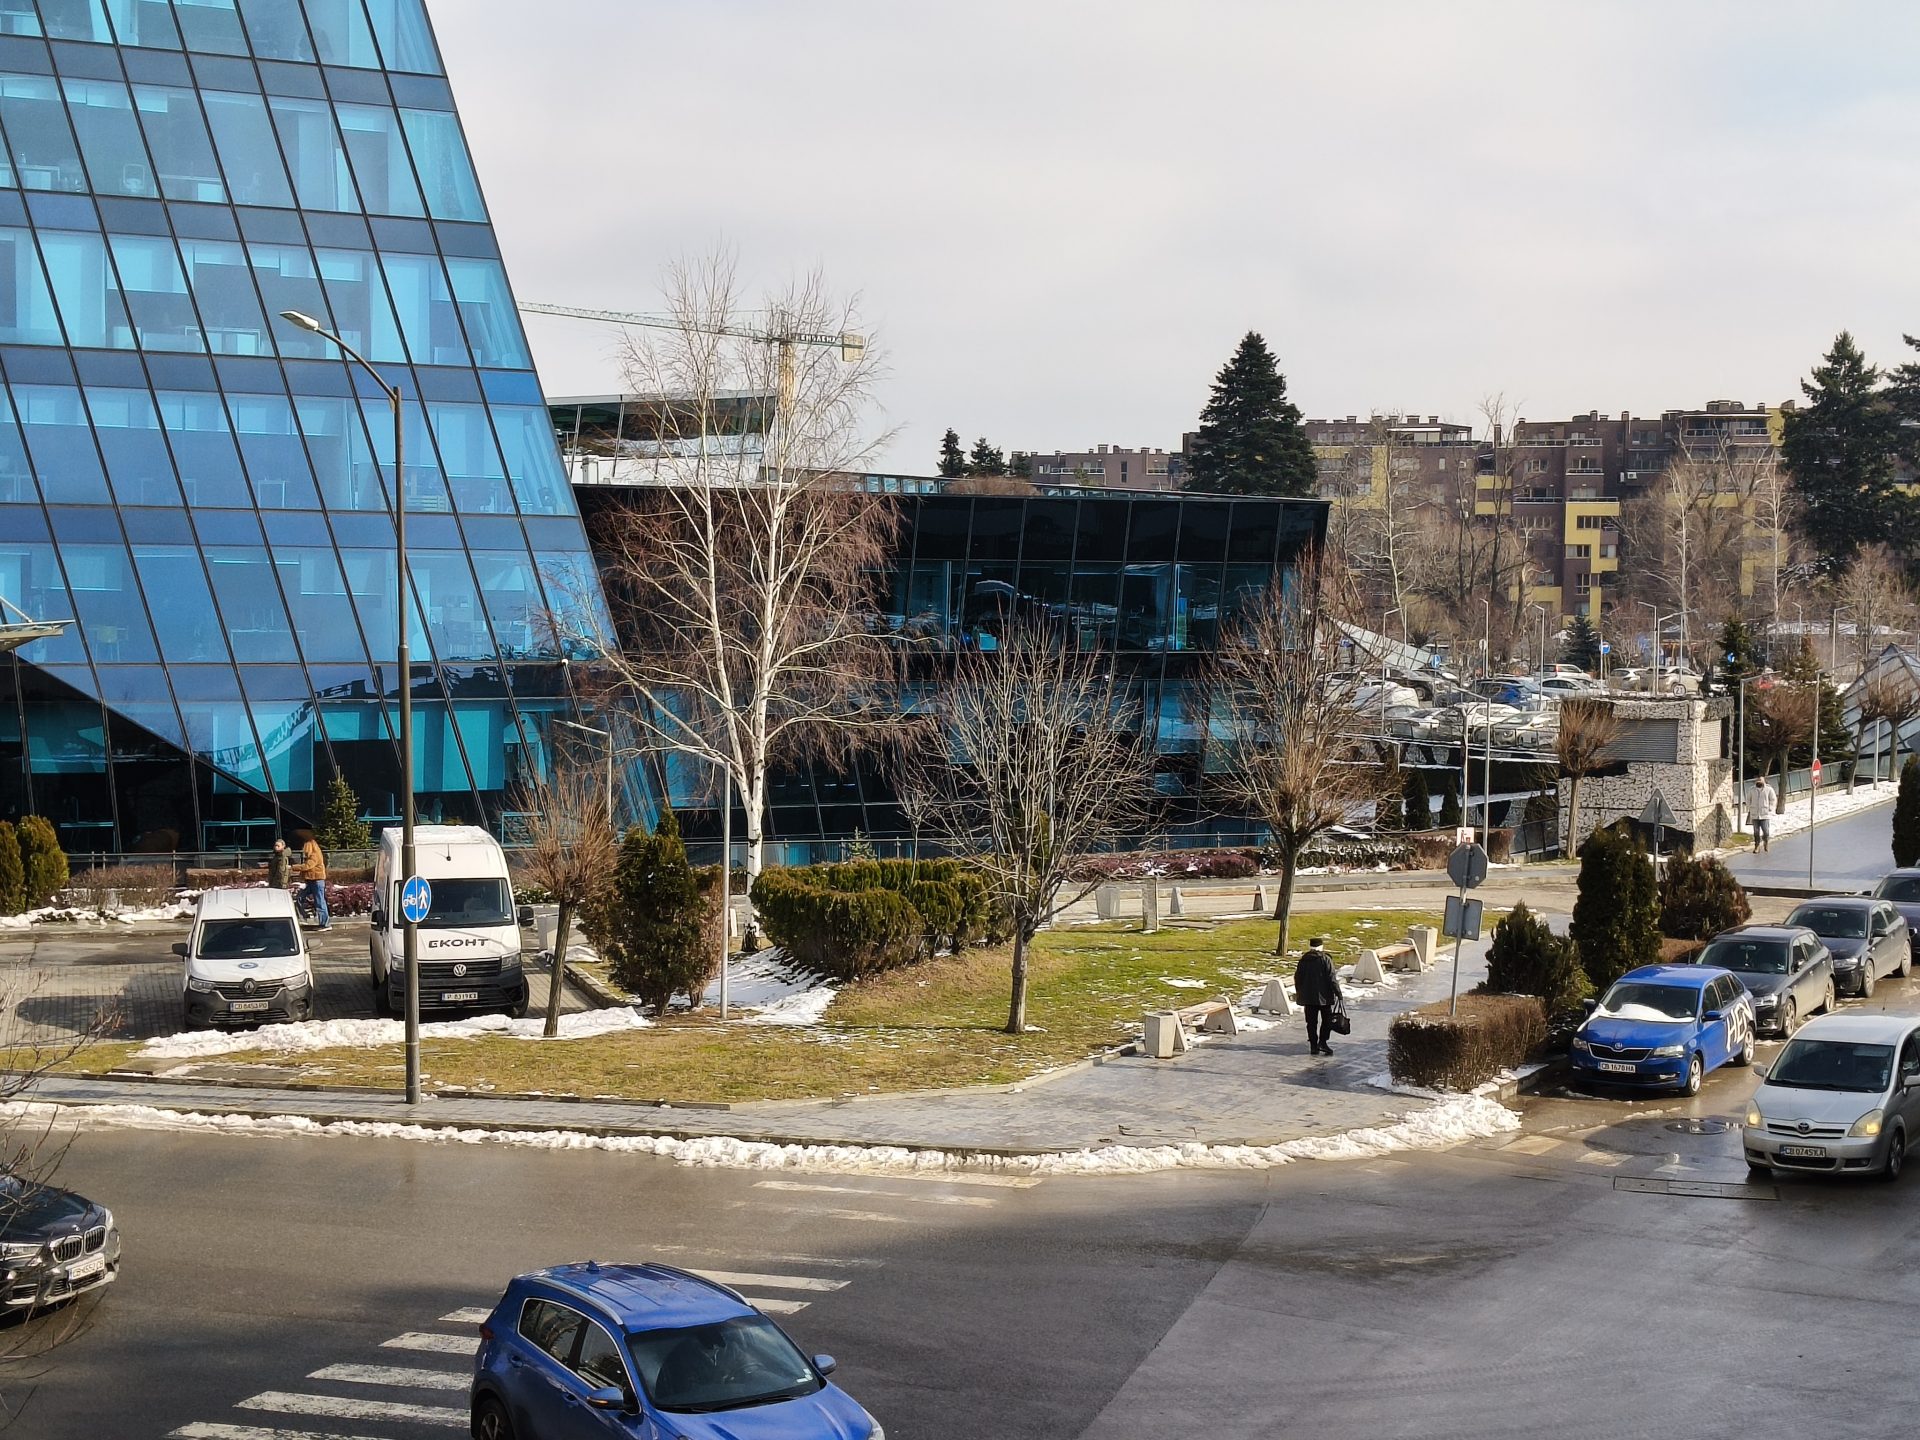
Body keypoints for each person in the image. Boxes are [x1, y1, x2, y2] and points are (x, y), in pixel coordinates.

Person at [1294, 936, 1343, 1057]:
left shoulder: (1303, 960)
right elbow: (1332, 978)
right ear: (1321, 947)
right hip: (1324, 997)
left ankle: (1313, 1045)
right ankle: (1323, 1042)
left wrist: (1300, 992)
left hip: (1308, 997)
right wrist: (1338, 993)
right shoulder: (1325, 959)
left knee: (1311, 1022)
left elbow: (1297, 978)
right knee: (1326, 1021)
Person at [296, 831, 330, 931]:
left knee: (320, 902)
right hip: (311, 880)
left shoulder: (314, 854)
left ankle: (325, 924)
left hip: (317, 881)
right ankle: (303, 917)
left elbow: (308, 866)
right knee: (300, 897)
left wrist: (293, 867)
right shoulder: (312, 854)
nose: (304, 849)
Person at [1748, 776, 1776, 853]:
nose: (1759, 782)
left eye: (1761, 780)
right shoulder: (1752, 789)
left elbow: (1773, 799)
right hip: (1755, 814)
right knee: (1756, 832)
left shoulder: (1769, 789)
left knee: (1766, 831)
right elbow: (1748, 799)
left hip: (1765, 814)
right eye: (1758, 780)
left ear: (1764, 781)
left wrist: (1770, 808)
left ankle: (1766, 843)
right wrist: (1750, 808)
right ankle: (1757, 846)